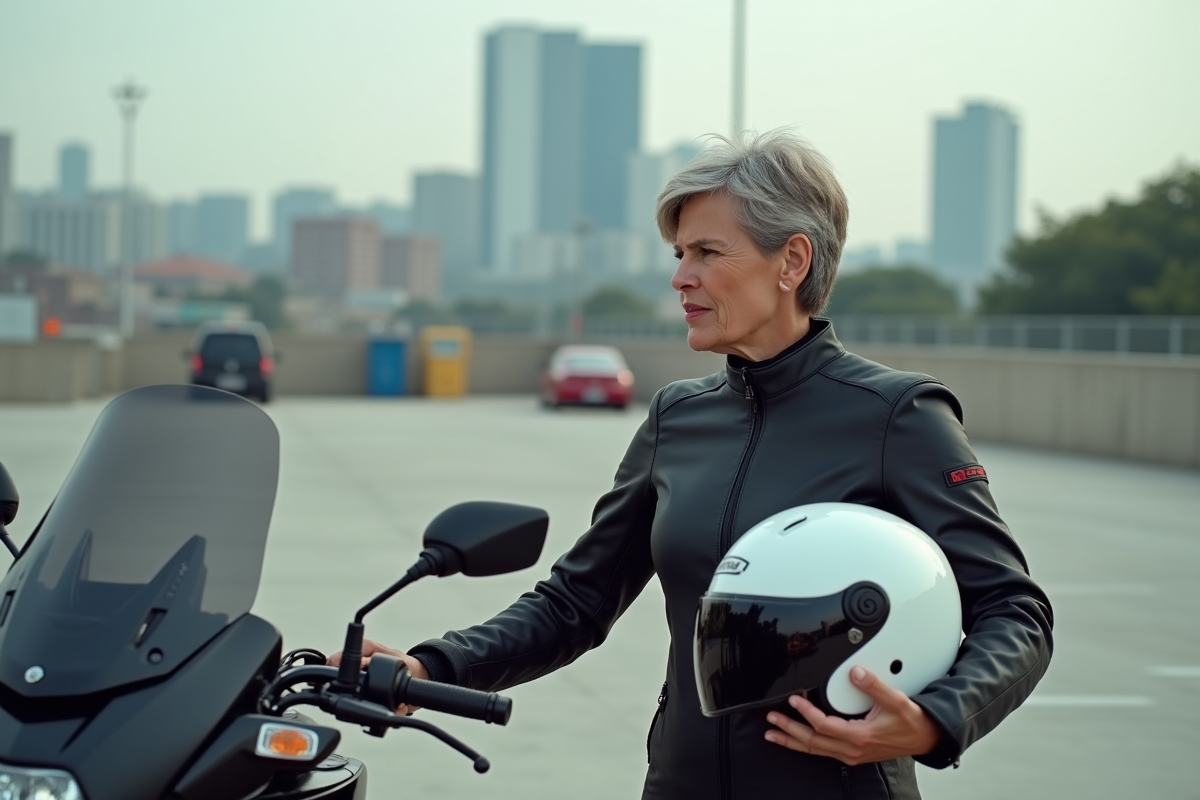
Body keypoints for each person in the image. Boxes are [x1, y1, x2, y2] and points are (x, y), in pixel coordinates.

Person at [330, 130, 1054, 799]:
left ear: (791, 261)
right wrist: (434, 665)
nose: (681, 277)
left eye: (707, 252)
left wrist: (935, 719)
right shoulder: (677, 416)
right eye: (678, 254)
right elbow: (576, 602)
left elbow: (1014, 610)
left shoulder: (899, 417)